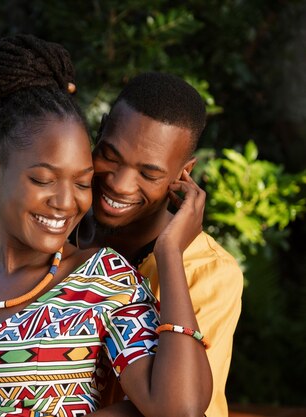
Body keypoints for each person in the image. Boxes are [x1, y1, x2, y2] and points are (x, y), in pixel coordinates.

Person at [0, 35, 211, 417]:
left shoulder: (104, 282)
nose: (66, 202)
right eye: (44, 180)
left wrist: (170, 252)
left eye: (82, 183)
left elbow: (180, 411)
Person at [76, 72, 244, 417]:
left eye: (149, 174)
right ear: (101, 129)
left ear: (184, 174)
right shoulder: (61, 231)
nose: (120, 185)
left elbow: (181, 408)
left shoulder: (210, 272)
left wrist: (169, 254)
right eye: (110, 155)